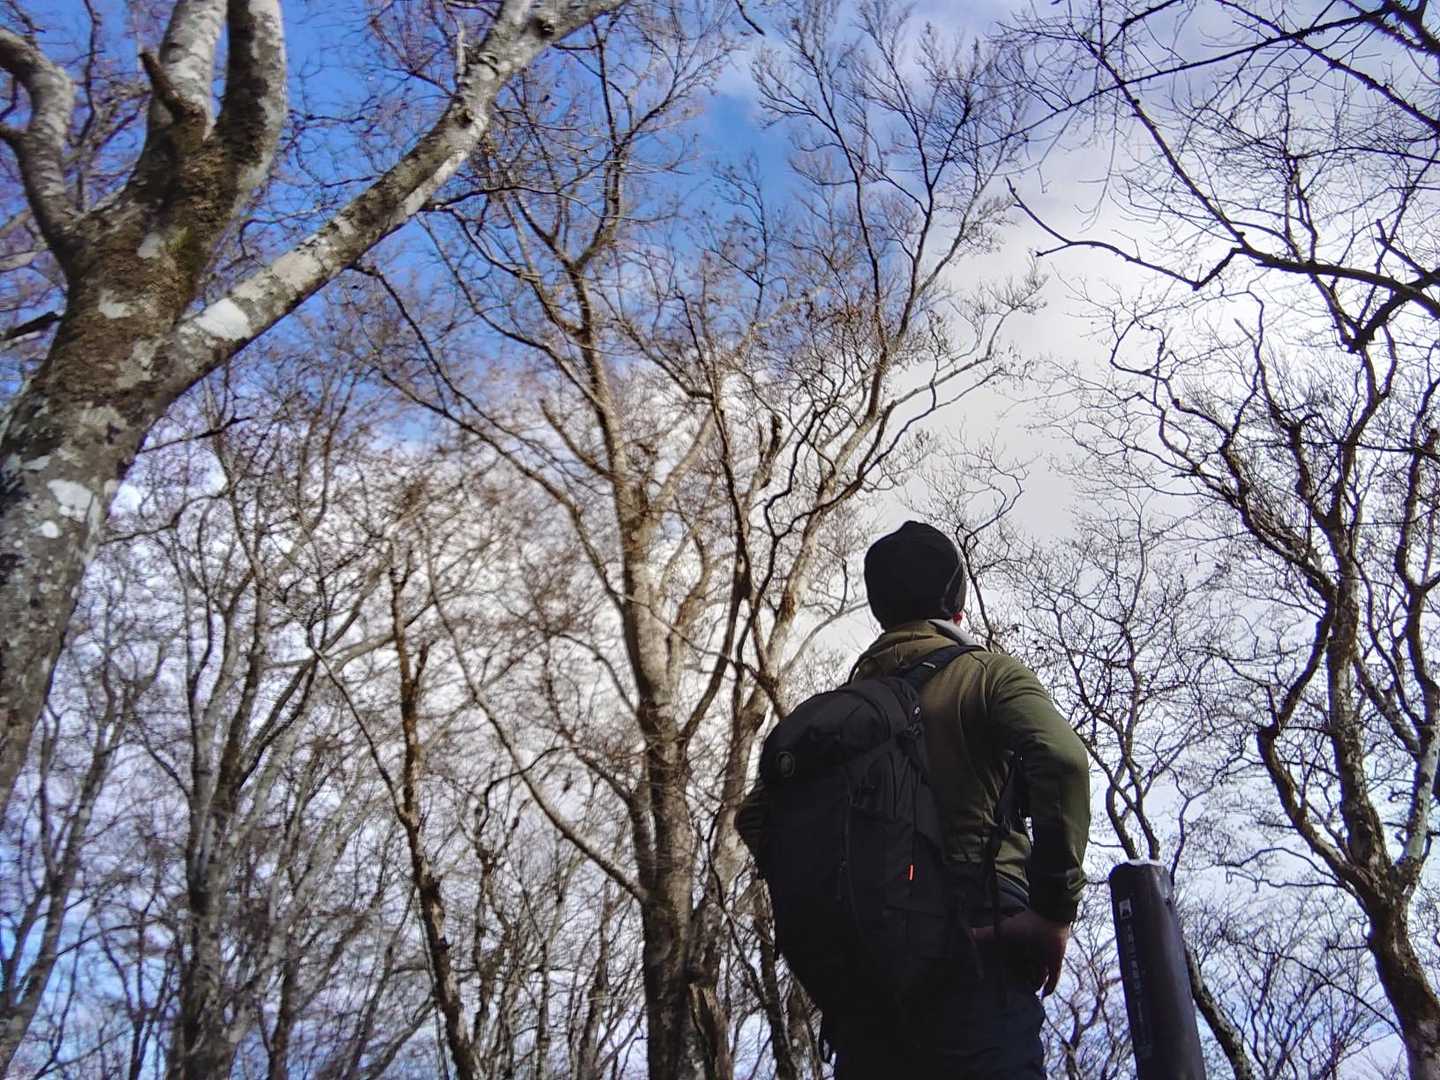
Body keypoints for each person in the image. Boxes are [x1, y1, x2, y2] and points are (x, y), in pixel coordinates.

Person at [739, 521, 1091, 1078]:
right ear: (957, 602)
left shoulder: (839, 714)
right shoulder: (985, 675)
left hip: (868, 987)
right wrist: (1052, 910)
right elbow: (1063, 758)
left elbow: (755, 817)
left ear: (880, 608)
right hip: (981, 952)